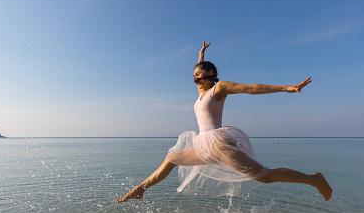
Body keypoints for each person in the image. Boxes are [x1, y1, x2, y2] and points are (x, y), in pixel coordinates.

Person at [116, 42, 332, 203]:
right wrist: (200, 55)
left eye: (199, 73)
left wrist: (287, 88)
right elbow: (199, 71)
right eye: (194, 74)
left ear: (210, 74)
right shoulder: (200, 94)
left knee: (264, 176)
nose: (195, 77)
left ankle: (314, 179)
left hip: (218, 143)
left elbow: (251, 88)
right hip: (202, 144)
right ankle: (141, 189)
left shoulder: (217, 89)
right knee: (171, 158)